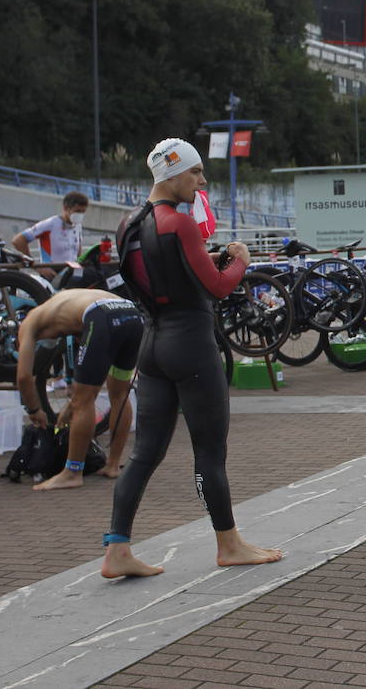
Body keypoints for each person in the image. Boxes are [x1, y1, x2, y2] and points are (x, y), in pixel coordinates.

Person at [101, 139, 281, 579]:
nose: (202, 182)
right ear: (174, 174)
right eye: (196, 173)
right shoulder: (178, 224)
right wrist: (240, 261)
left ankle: (117, 549)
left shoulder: (126, 224)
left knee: (145, 453)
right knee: (209, 452)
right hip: (191, 345)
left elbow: (159, 276)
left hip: (153, 343)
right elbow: (218, 287)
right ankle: (229, 544)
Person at [14, 288, 139, 489]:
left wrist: (34, 410)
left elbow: (23, 376)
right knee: (119, 394)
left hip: (102, 316)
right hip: (131, 314)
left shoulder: (30, 322)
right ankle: (113, 465)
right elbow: (93, 381)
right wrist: (73, 404)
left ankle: (72, 472)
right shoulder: (64, 308)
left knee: (84, 401)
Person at [12, 191, 89, 277]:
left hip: (71, 273)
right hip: (52, 274)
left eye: (83, 212)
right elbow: (18, 241)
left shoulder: (78, 225)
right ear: (66, 208)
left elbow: (78, 251)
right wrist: (36, 266)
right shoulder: (50, 224)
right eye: (77, 211)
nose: (80, 215)